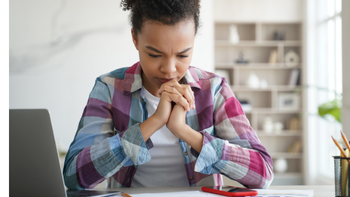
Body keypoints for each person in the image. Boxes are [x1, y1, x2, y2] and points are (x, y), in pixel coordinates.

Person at [63, 0, 274, 190]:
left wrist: (183, 131)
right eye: (155, 54)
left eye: (183, 55)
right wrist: (154, 122)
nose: (170, 69)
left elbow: (263, 174)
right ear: (135, 39)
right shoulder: (109, 88)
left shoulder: (214, 89)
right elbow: (74, 175)